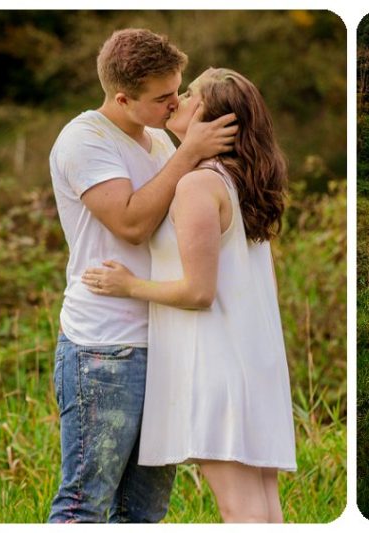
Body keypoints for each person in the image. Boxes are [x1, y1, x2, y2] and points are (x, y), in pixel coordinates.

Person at [82, 67, 296, 523]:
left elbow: (199, 292)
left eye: (190, 95)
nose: (176, 99)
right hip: (250, 360)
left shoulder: (199, 185)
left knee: (240, 510)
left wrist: (128, 286)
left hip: (215, 361)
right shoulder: (238, 180)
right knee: (265, 510)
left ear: (215, 120)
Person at [47, 29, 238, 523]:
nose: (175, 104)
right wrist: (187, 152)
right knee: (84, 503)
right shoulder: (84, 140)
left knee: (143, 512)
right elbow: (131, 223)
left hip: (166, 342)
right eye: (163, 98)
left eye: (178, 90)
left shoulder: (157, 139)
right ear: (122, 98)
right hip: (105, 347)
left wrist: (185, 147)